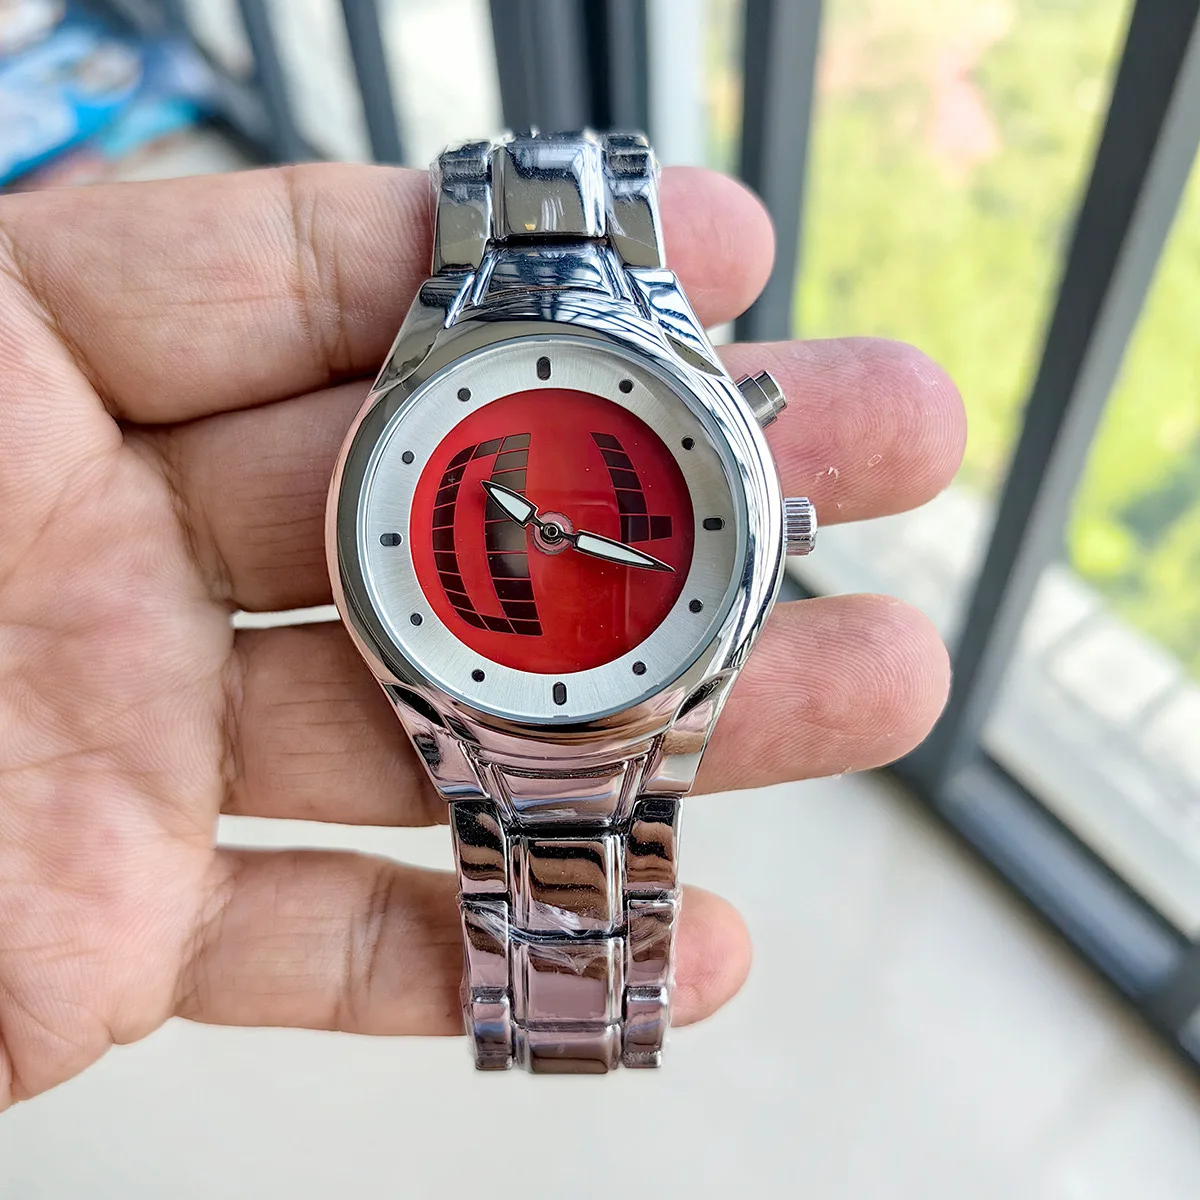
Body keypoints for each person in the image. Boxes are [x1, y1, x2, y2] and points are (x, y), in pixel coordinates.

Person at [0, 163, 965, 1107]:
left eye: (564, 533)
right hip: (471, 699)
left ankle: (572, 1019)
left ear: (772, 529)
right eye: (544, 530)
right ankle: (571, 1021)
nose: (551, 538)